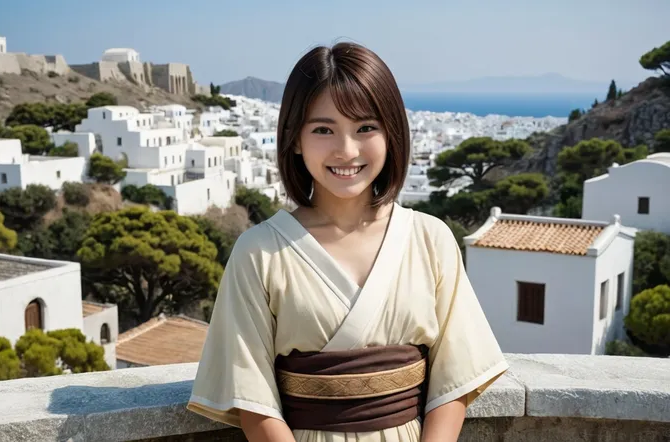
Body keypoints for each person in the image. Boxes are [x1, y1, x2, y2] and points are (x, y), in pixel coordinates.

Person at [187, 41, 508, 442]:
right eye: (323, 129)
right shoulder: (259, 252)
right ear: (295, 138)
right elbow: (253, 400)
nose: (347, 150)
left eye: (365, 128)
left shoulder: (430, 239)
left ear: (391, 134)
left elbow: (454, 381)